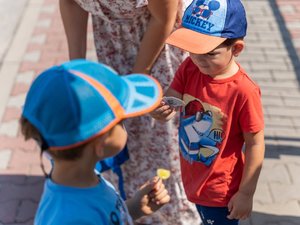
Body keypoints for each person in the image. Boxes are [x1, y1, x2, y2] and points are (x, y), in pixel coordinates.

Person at [59, 0, 201, 224]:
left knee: (166, 141)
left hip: (159, 46)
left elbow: (164, 16)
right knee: (129, 137)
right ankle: (131, 208)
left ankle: (177, 215)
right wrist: (78, 70)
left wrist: (137, 83)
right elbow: (71, 2)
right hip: (113, 43)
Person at [150, 0, 265, 224]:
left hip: (222, 189)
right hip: (193, 176)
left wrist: (246, 193)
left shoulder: (244, 91)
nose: (198, 59)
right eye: (192, 50)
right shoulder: (190, 67)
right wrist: (163, 108)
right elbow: (172, 99)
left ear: (236, 48)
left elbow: (255, 143)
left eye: (209, 53)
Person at [20, 59, 171, 225]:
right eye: (121, 121)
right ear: (101, 143)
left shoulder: (85, 177)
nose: (124, 125)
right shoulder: (72, 218)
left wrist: (133, 209)